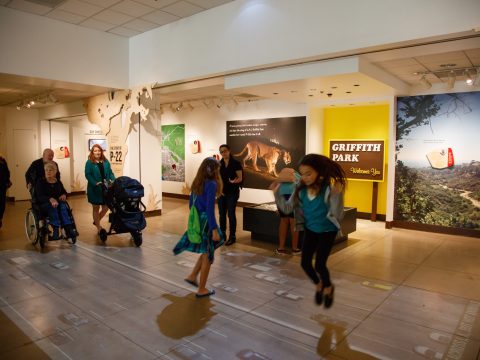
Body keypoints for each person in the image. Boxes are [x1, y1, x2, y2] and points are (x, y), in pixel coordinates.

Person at [272, 154, 346, 308]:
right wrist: (276, 194)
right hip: (311, 229)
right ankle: (319, 284)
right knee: (305, 263)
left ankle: (328, 287)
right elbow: (286, 208)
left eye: (309, 173)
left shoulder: (329, 190)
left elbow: (338, 215)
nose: (305, 178)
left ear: (319, 172)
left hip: (327, 231)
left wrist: (337, 195)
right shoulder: (300, 191)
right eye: (302, 174)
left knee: (319, 265)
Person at [173, 157, 224, 298]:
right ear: (214, 170)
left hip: (198, 220)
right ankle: (202, 289)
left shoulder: (197, 182)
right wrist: (213, 229)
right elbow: (209, 210)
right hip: (207, 222)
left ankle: (193, 275)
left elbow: (191, 205)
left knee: (207, 250)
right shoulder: (212, 184)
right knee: (209, 254)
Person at [34, 161, 74, 239]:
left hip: (57, 203)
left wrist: (64, 195)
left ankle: (68, 228)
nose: (48, 172)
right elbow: (39, 196)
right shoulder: (40, 182)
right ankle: (56, 230)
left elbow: (64, 192)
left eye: (51, 170)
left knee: (63, 205)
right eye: (46, 170)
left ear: (55, 171)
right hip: (44, 205)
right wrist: (50, 199)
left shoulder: (57, 181)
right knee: (53, 207)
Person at [84, 144, 115, 234]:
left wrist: (113, 180)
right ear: (92, 152)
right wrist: (95, 182)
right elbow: (88, 174)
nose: (97, 152)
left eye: (99, 150)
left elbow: (110, 172)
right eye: (95, 151)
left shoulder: (106, 162)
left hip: (105, 188)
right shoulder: (89, 162)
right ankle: (98, 227)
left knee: (105, 207)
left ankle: (96, 221)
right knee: (96, 208)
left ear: (101, 151)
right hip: (95, 189)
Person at [218, 144, 243, 246]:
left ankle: (232, 236)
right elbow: (217, 179)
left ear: (229, 151)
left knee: (231, 214)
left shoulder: (236, 163)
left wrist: (234, 181)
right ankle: (222, 235)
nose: (223, 153)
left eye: (225, 151)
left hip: (232, 192)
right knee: (221, 214)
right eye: (221, 152)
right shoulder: (219, 164)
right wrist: (219, 190)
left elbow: (240, 178)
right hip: (222, 193)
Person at [273, 168, 300, 255]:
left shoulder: (281, 177)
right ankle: (295, 249)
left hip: (281, 197)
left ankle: (281, 248)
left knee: (283, 221)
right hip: (293, 198)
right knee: (293, 222)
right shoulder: (297, 175)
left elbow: (275, 190)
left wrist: (277, 205)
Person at [0, 155, 12, 229]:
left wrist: (7, 181)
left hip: (1, 186)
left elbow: (7, 172)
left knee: (1, 204)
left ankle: (0, 218)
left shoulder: (2, 160)